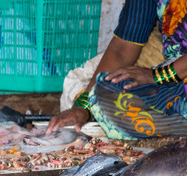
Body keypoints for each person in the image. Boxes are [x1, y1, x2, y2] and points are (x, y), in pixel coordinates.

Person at [46, 0, 187, 140]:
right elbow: (122, 48)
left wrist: (160, 76)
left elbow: (161, 75)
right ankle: (177, 125)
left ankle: (174, 126)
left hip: (171, 74)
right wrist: (83, 107)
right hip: (174, 82)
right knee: (108, 92)